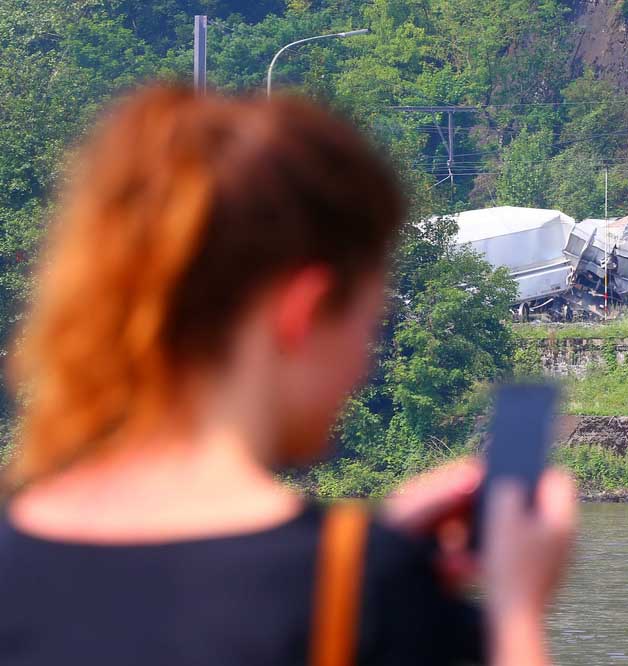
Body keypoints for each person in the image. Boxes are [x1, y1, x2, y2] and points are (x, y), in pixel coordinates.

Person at [0, 86, 575, 666]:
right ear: (302, 311)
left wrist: (375, 552)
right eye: (368, 322)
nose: (363, 363)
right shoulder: (361, 594)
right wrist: (514, 609)